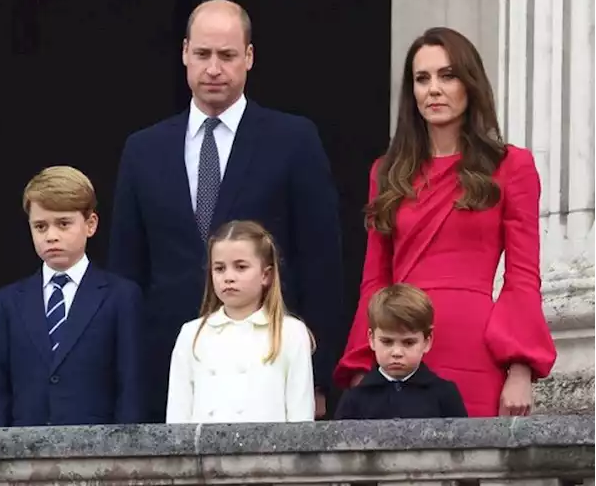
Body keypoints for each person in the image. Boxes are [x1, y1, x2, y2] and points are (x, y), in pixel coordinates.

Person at [109, 0, 342, 421]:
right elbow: (127, 272)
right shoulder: (143, 150)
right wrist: (128, 382)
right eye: (202, 54)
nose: (214, 68)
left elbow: (322, 261)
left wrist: (318, 377)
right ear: (184, 53)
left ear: (249, 57)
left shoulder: (293, 140)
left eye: (227, 55)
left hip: (269, 369)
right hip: (169, 371)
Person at [335, 27, 556, 417]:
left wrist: (520, 369)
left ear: (470, 84)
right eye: (423, 79)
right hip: (401, 346)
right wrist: (362, 360)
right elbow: (374, 278)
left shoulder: (511, 166)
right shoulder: (385, 173)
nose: (434, 89)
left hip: (475, 350)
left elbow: (523, 275)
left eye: (447, 75)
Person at [0, 166, 142, 427]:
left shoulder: (121, 296)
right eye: (40, 226)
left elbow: (130, 387)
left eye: (64, 224)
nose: (51, 236)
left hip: (97, 453)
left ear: (91, 224)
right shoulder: (8, 301)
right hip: (22, 452)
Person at [165, 220, 314, 423]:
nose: (229, 277)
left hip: (268, 454)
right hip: (206, 454)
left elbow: (301, 417)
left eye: (241, 267)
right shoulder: (192, 334)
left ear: (266, 275)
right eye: (220, 268)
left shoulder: (290, 332)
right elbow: (177, 418)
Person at [335, 284, 467, 420]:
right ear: (372, 339)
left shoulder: (444, 394)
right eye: (387, 342)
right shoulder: (355, 398)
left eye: (408, 343)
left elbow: (463, 440)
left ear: (427, 342)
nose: (397, 352)